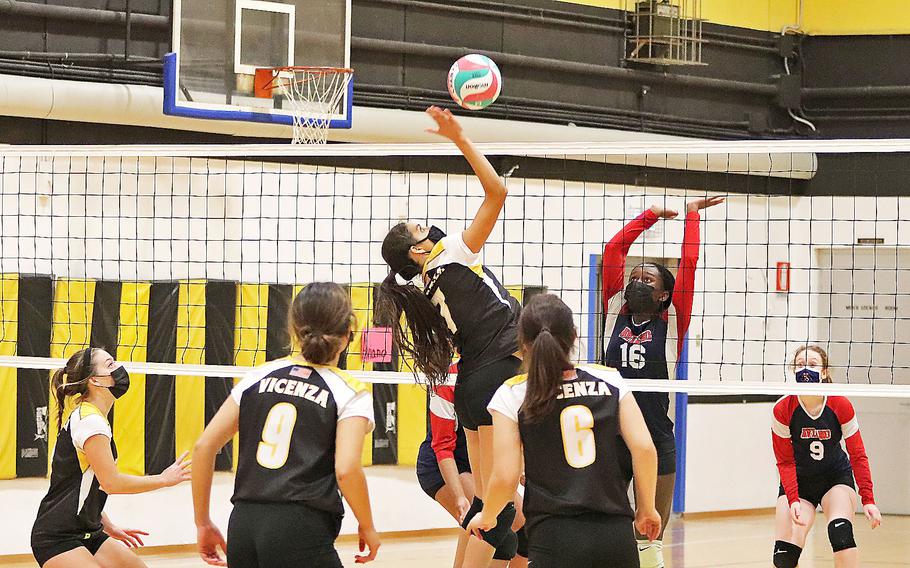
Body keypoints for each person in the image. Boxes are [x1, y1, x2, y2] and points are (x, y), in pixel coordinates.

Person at [378, 106, 521, 567]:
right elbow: (497, 191)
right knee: (499, 512)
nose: (428, 224)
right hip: (503, 370)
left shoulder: (420, 290)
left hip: (473, 386)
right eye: (420, 227)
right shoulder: (452, 254)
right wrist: (459, 138)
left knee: (487, 509)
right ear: (419, 250)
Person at [192, 282, 380, 567]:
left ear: (295, 330)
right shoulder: (349, 391)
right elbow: (347, 469)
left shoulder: (258, 375)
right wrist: (367, 525)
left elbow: (204, 447)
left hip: (243, 524)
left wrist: (203, 522)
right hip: (301, 526)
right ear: (347, 336)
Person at [468, 293, 661, 568]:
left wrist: (488, 516)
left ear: (522, 342)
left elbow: (506, 475)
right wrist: (647, 508)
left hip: (555, 540)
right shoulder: (610, 379)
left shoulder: (512, 394)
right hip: (616, 537)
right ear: (573, 336)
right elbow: (644, 449)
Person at [600, 196, 722, 568]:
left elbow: (689, 263)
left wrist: (691, 216)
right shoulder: (612, 307)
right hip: (611, 433)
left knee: (650, 528)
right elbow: (614, 249)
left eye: (647, 280)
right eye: (634, 276)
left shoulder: (672, 320)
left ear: (664, 294)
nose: (636, 282)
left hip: (656, 436)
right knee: (606, 521)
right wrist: (650, 216)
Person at [31, 347, 191, 568]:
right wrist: (163, 479)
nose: (119, 368)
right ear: (96, 381)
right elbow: (112, 483)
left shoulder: (92, 417)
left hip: (88, 531)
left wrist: (107, 525)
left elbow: (88, 485)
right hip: (57, 536)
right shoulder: (90, 422)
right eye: (110, 364)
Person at [770, 344, 882, 568]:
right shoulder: (783, 408)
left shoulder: (839, 403)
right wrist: (792, 499)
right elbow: (784, 461)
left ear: (823, 372)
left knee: (840, 533)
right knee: (783, 556)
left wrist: (868, 499)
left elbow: (858, 455)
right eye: (800, 365)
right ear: (793, 370)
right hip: (799, 483)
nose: (805, 370)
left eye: (812, 365)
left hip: (835, 479)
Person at [417, 383, 529, 568]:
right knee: (498, 534)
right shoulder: (449, 381)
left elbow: (518, 433)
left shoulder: (510, 379)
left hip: (481, 464)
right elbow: (442, 447)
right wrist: (460, 495)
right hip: (444, 465)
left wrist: (523, 468)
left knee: (526, 531)